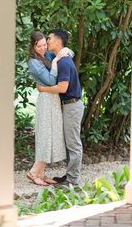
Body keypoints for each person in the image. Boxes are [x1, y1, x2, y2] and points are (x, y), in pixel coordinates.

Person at [38, 29, 84, 187]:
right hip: (68, 106)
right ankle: (69, 177)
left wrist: (43, 89)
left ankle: (73, 181)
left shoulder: (64, 62)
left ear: (58, 42)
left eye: (49, 39)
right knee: (69, 143)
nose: (47, 41)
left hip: (72, 106)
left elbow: (62, 88)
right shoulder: (60, 57)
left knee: (73, 144)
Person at [27, 31, 71, 186]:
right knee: (46, 135)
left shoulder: (47, 55)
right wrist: (54, 63)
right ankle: (33, 172)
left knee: (51, 135)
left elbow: (66, 54)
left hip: (53, 98)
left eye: (45, 44)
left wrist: (66, 51)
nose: (43, 48)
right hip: (46, 100)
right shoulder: (34, 62)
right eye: (39, 46)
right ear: (33, 46)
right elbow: (51, 80)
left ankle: (40, 172)